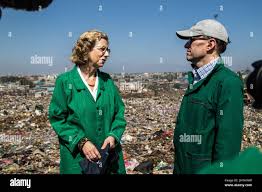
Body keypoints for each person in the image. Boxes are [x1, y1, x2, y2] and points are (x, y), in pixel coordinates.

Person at [48, 30, 127, 174]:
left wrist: (113, 135)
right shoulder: (65, 82)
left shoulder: (107, 81)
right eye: (102, 49)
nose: (107, 54)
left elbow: (119, 113)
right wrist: (81, 142)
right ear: (86, 50)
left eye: (108, 49)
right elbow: (57, 118)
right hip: (77, 161)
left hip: (108, 159)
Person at [173, 19, 244, 174]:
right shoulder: (196, 79)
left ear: (210, 44)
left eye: (191, 40)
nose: (186, 46)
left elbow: (228, 145)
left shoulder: (228, 83)